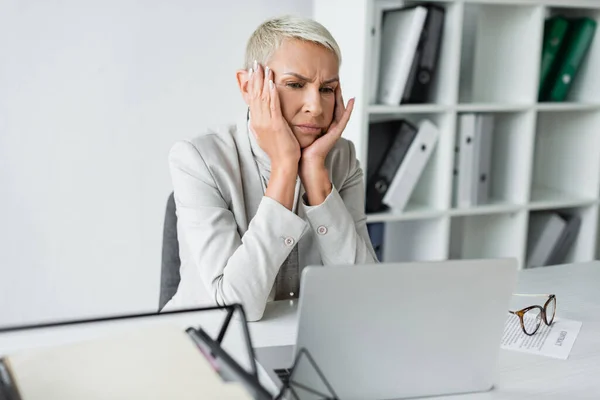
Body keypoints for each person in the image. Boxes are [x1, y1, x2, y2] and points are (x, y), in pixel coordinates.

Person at [161, 15, 378, 321]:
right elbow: (235, 311)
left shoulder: (341, 159)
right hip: (209, 346)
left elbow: (365, 295)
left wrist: (316, 174)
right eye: (295, 84)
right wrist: (285, 167)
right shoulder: (197, 160)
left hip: (302, 344)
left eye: (327, 89)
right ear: (249, 86)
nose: (315, 107)